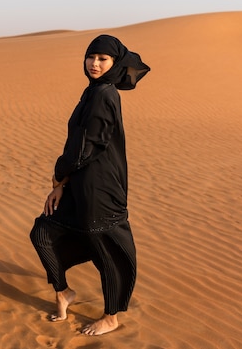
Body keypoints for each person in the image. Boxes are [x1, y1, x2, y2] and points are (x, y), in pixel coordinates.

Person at [30, 35, 150, 335]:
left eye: (103, 59)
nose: (95, 64)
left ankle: (111, 316)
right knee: (42, 232)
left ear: (114, 63)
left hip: (101, 188)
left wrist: (59, 175)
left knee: (106, 251)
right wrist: (63, 183)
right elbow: (80, 144)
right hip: (81, 182)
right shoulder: (94, 90)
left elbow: (87, 146)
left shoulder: (105, 95)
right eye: (90, 57)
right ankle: (63, 292)